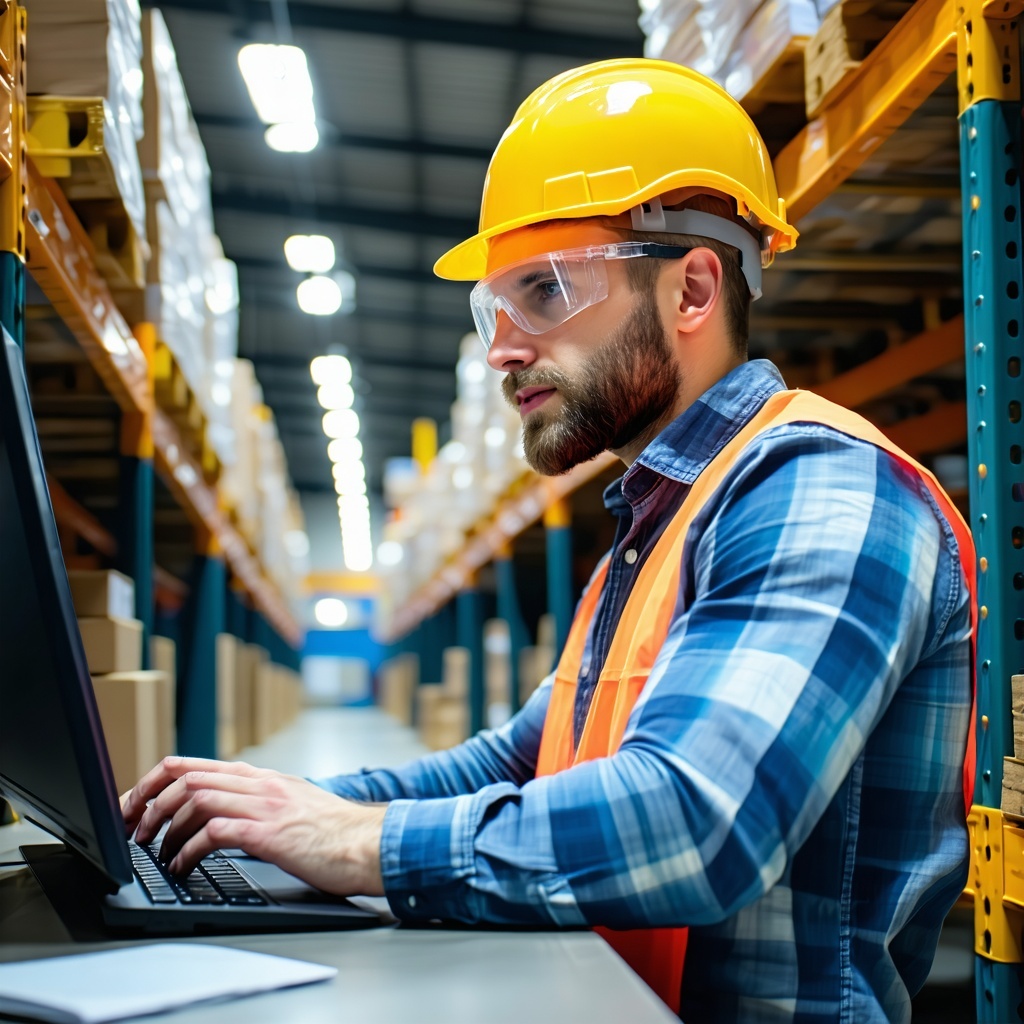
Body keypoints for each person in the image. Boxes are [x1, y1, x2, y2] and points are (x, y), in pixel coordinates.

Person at [121, 59, 975, 1023]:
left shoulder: (821, 485)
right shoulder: (652, 528)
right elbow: (518, 761)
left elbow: (700, 826)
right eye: (495, 308)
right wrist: (272, 810)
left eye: (546, 291)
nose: (503, 348)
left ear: (693, 288)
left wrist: (362, 842)